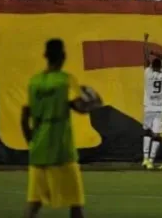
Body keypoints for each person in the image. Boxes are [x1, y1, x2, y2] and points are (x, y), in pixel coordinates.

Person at [20, 39, 103, 218]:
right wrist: (94, 103)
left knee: (33, 204)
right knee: (76, 204)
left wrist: (32, 142)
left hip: (39, 150)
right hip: (61, 150)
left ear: (45, 56)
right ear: (63, 56)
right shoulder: (65, 80)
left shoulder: (34, 82)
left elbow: (24, 115)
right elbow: (78, 106)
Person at [141, 33, 162, 169]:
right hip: (159, 109)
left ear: (152, 66)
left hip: (148, 108)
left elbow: (145, 58)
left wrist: (146, 41)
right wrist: (157, 53)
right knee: (157, 135)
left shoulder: (148, 73)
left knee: (147, 132)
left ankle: (145, 158)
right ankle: (151, 161)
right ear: (161, 67)